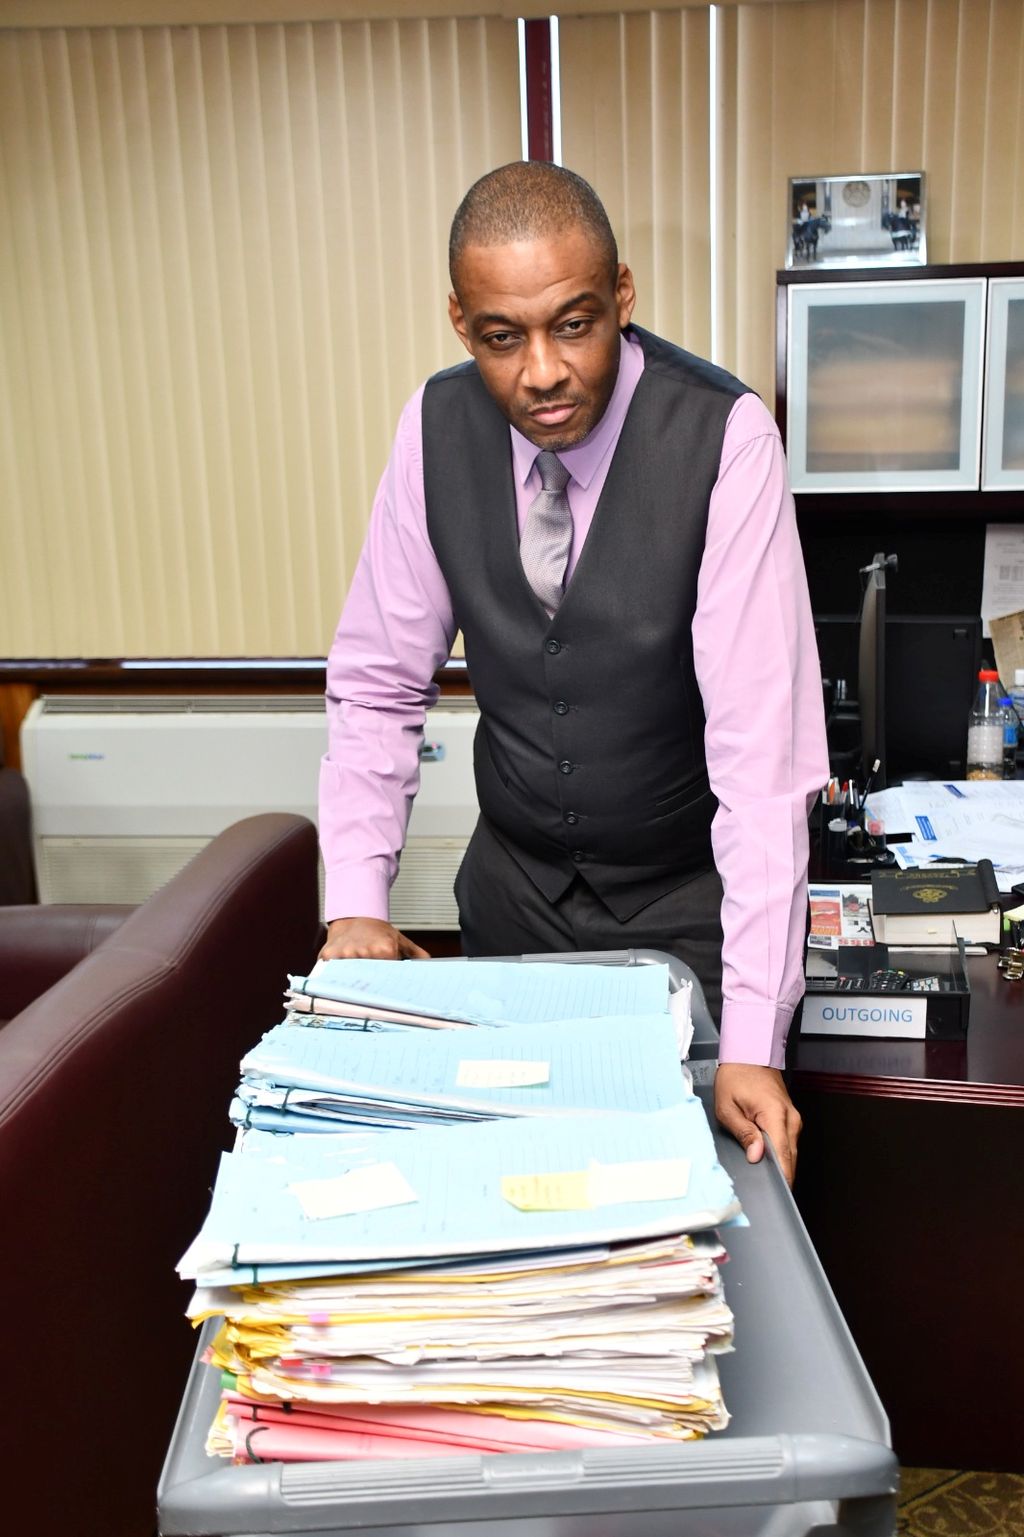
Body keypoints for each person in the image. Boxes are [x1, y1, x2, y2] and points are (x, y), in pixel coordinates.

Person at [318, 162, 828, 1184]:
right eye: (503, 337)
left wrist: (754, 1042)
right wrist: (357, 904)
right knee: (515, 1202)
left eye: (575, 324)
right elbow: (379, 682)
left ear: (624, 298)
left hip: (686, 909)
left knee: (680, 1217)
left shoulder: (723, 440)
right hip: (511, 903)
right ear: (462, 323)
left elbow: (759, 761)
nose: (542, 371)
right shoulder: (434, 430)